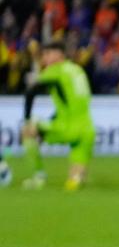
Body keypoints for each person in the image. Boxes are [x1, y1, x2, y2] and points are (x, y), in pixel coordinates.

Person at [19, 38, 95, 191]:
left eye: (47, 54)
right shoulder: (77, 70)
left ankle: (39, 177)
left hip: (68, 128)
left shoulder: (55, 70)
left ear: (59, 55)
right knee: (73, 183)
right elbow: (70, 102)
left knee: (27, 131)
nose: (44, 58)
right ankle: (77, 176)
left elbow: (30, 92)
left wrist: (27, 119)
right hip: (87, 130)